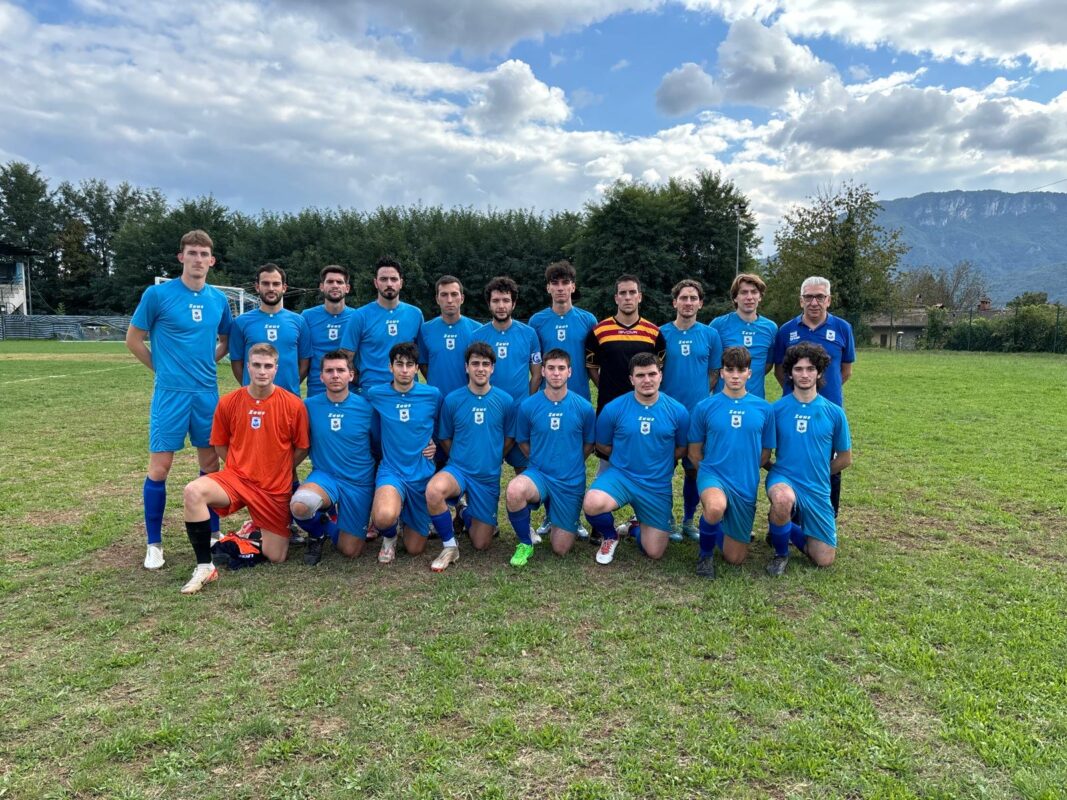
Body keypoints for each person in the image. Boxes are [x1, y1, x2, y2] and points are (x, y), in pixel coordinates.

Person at [126, 229, 232, 571]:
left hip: (206, 394)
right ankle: (154, 544)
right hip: (170, 395)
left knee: (211, 465)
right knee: (160, 468)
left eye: (203, 254)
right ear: (181, 257)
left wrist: (206, 363)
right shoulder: (158, 295)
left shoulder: (219, 300)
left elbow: (226, 340)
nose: (198, 259)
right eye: (192, 252)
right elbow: (133, 339)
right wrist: (163, 369)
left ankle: (213, 533)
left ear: (211, 261)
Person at [179, 343, 310, 594]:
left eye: (268, 366)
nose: (262, 371)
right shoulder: (229, 402)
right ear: (248, 367)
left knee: (276, 556)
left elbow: (302, 448)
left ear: (276, 368)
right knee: (193, 491)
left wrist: (277, 469)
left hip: (273, 488)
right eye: (257, 365)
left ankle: (250, 532)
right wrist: (240, 466)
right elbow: (219, 444)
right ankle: (205, 566)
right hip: (237, 479)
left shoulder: (293, 404)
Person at [582, 353, 689, 565]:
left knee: (654, 552)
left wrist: (657, 461)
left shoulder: (678, 411)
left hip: (656, 484)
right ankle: (610, 536)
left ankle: (635, 528)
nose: (647, 380)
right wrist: (627, 457)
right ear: (631, 379)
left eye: (652, 374)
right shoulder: (613, 408)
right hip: (621, 476)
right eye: (640, 375)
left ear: (661, 376)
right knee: (592, 503)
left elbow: (682, 448)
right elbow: (602, 444)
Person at [425, 343, 514, 572]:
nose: (480, 369)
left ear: (493, 368)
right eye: (475, 363)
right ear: (466, 367)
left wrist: (493, 456)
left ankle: (464, 511)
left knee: (481, 543)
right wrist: (460, 456)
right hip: (459, 470)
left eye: (485, 364)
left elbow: (510, 437)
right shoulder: (453, 400)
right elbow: (445, 437)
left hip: (487, 476)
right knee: (434, 490)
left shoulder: (505, 401)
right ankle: (449, 546)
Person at [687, 346, 775, 579]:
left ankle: (717, 528)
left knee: (735, 558)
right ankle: (705, 556)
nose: (735, 375)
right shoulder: (704, 407)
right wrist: (709, 473)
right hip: (713, 475)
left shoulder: (764, 408)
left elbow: (765, 454)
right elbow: (694, 452)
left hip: (745, 482)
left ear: (749, 373)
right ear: (722, 373)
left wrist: (742, 469)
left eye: (741, 370)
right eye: (730, 369)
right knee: (715, 506)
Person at [765, 342, 852, 576]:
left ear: (820, 372)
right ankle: (780, 553)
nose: (804, 374)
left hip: (816, 485)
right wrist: (776, 470)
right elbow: (763, 453)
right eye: (798, 369)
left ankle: (780, 525)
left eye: (810, 369)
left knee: (824, 559)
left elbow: (845, 458)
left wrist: (819, 472)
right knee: (782, 499)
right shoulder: (775, 410)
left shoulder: (834, 412)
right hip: (783, 480)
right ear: (789, 373)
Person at [505, 349, 596, 566]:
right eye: (551, 368)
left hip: (570, 479)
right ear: (543, 371)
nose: (556, 373)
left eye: (561, 368)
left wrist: (571, 462)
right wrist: (540, 460)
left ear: (570, 372)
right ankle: (525, 542)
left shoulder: (584, 407)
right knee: (515, 490)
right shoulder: (528, 405)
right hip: (539, 474)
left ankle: (557, 513)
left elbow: (588, 443)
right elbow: (523, 441)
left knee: (560, 549)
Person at [773, 276, 855, 515]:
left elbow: (845, 371)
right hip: (792, 410)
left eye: (820, 296)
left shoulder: (842, 328)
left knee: (828, 460)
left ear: (828, 300)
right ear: (801, 300)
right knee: (792, 459)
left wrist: (819, 392)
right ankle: (788, 516)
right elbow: (780, 370)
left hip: (826, 410)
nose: (814, 302)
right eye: (808, 297)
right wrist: (798, 392)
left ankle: (827, 515)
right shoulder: (786, 331)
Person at [290, 351, 378, 565]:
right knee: (301, 505)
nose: (335, 375)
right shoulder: (308, 406)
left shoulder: (367, 408)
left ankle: (327, 522)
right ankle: (317, 533)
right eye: (329, 371)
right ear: (321, 377)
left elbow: (380, 445)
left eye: (340, 370)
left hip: (359, 482)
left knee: (351, 550)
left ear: (351, 375)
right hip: (325, 476)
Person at [363, 342, 442, 563]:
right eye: (399, 364)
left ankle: (407, 516)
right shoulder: (376, 394)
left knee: (415, 548)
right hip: (392, 470)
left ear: (417, 368)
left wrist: (435, 443)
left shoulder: (432, 394)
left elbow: (443, 425)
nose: (404, 370)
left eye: (410, 364)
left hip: (421, 473)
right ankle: (389, 537)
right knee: (383, 517)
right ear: (390, 367)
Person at [660, 278, 722, 543]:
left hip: (697, 416)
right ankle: (667, 520)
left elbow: (714, 372)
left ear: (700, 303)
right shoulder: (660, 333)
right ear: (674, 302)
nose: (688, 302)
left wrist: (701, 398)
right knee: (663, 469)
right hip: (666, 414)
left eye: (693, 298)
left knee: (694, 468)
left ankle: (688, 519)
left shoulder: (710, 335)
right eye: (683, 298)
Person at [470, 276, 541, 471]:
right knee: (487, 466)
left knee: (523, 468)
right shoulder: (477, 336)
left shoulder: (529, 334)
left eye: (506, 300)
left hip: (519, 411)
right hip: (489, 411)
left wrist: (526, 401)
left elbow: (536, 373)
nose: (501, 306)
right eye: (496, 300)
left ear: (514, 303)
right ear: (489, 304)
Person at [229, 263, 311, 397]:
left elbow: (305, 363)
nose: (271, 288)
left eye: (276, 284)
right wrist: (253, 387)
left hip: (289, 397)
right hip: (254, 398)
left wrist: (291, 385)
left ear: (284, 288)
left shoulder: (299, 321)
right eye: (266, 283)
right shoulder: (241, 322)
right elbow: (237, 363)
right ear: (257, 287)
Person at [341, 257, 423, 390]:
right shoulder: (360, 315)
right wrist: (359, 380)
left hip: (407, 391)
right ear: (376, 282)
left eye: (394, 279)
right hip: (372, 392)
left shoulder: (415, 314)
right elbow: (345, 357)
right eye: (384, 279)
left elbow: (422, 356)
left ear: (401, 283)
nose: (389, 284)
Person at [528, 261, 598, 401]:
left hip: (580, 397)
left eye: (565, 283)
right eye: (555, 283)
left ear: (573, 287)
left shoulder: (588, 320)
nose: (560, 288)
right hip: (547, 397)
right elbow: (534, 364)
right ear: (548, 288)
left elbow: (594, 363)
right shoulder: (536, 321)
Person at [710, 273, 778, 398]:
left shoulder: (771, 327)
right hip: (723, 399)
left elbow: (768, 364)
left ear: (760, 296)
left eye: (754, 292)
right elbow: (710, 363)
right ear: (735, 298)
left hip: (755, 400)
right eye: (744, 292)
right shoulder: (718, 325)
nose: (749, 297)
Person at [302, 265, 356, 398]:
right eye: (330, 282)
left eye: (339, 282)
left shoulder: (357, 317)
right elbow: (302, 356)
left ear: (347, 288)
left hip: (350, 392)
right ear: (322, 286)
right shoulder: (307, 317)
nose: (335, 285)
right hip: (317, 390)